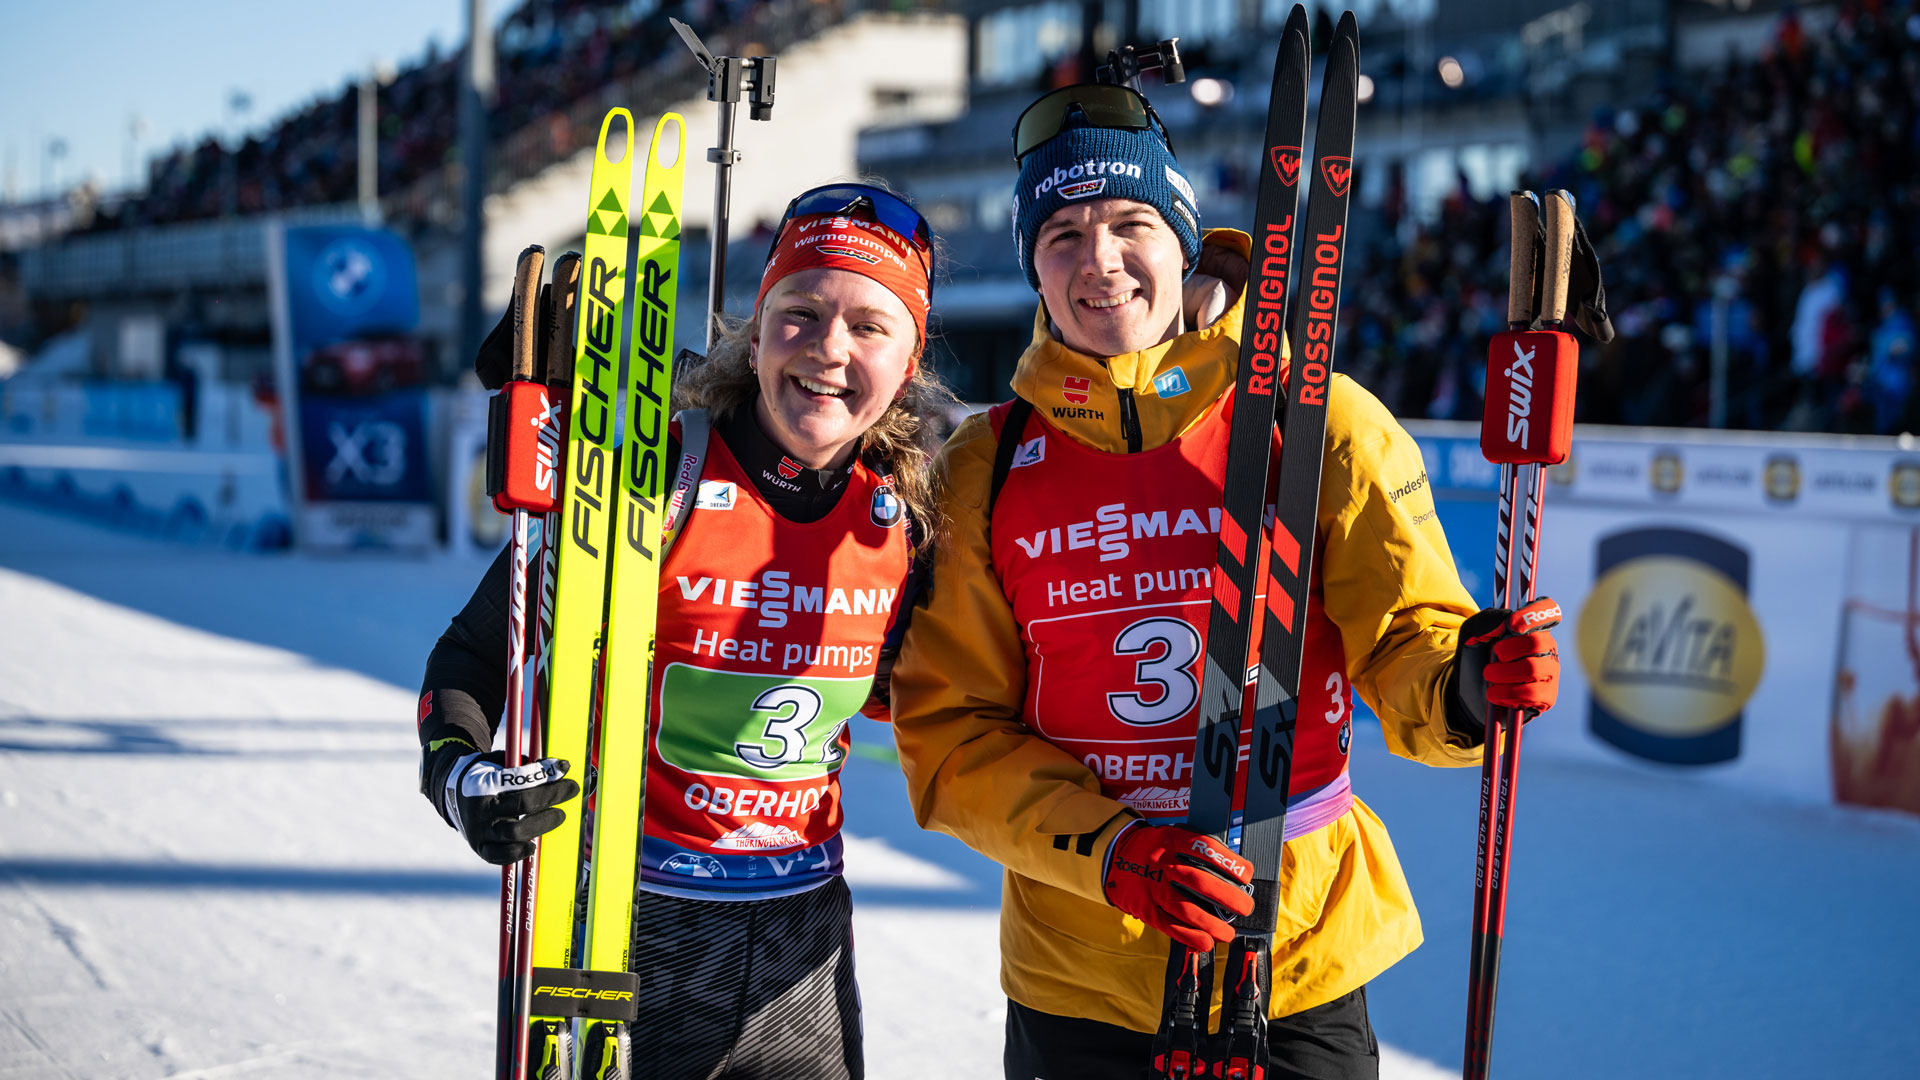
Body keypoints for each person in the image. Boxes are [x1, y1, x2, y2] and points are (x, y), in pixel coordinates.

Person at [888, 83, 1563, 1079]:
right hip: (1082, 974)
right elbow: (951, 733)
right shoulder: (986, 462)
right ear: (1031, 260)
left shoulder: (1323, 420)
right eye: (1062, 233)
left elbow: (1405, 637)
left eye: (1130, 223)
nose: (1100, 260)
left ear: (1185, 238)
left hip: (1293, 948)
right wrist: (1114, 852)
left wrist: (1467, 682)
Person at [416, 182, 955, 1080]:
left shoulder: (905, 521)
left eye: (870, 324)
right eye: (801, 310)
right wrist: (459, 774)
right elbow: (475, 652)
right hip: (626, 919)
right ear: (757, 326)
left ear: (908, 361)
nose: (828, 348)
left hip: (802, 939)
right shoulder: (655, 477)